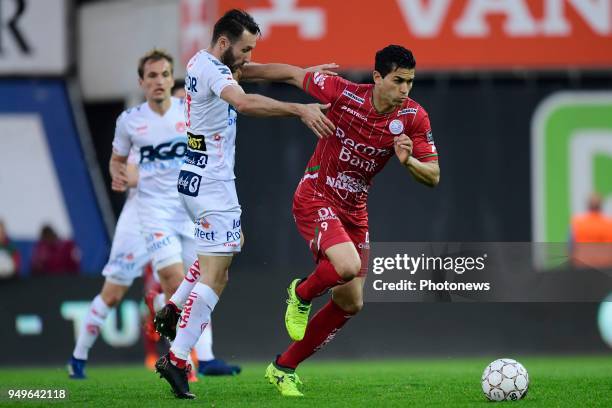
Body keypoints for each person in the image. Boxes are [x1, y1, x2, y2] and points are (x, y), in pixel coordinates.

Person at [152, 9, 336, 399]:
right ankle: (177, 358)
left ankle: (173, 306)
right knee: (217, 276)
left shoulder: (203, 62)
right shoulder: (219, 72)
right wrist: (299, 109)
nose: (249, 56)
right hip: (212, 187)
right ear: (224, 43)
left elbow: (261, 72)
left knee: (222, 251)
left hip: (194, 179)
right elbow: (246, 102)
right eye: (245, 48)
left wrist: (304, 75)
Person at [254, 45, 441, 397]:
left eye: (411, 82)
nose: (405, 90)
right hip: (316, 195)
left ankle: (283, 368)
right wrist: (235, 73)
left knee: (350, 301)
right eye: (398, 81)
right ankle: (301, 292)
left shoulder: (415, 117)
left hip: (355, 210)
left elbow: (433, 176)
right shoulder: (342, 92)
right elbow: (292, 73)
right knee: (346, 265)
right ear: (377, 77)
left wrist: (409, 163)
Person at [68, 49, 239, 379]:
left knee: (203, 280)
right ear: (142, 82)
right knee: (130, 290)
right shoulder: (131, 122)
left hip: (186, 210)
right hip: (148, 213)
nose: (159, 81)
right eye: (152, 76)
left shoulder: (188, 113)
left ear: (171, 78)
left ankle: (205, 358)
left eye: (164, 75)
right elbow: (119, 162)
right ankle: (82, 356)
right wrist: (119, 174)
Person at [569, 192, 612, 268]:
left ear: (588, 206)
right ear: (601, 206)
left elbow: (570, 247)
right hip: (606, 268)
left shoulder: (577, 223)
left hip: (582, 268)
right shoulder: (609, 224)